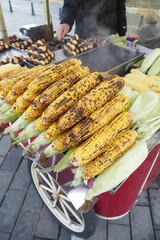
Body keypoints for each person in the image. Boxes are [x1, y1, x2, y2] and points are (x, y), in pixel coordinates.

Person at [56, 0, 127, 40]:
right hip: (85, 37)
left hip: (109, 36)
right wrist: (66, 22)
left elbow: (120, 8)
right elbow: (70, 5)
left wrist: (123, 32)